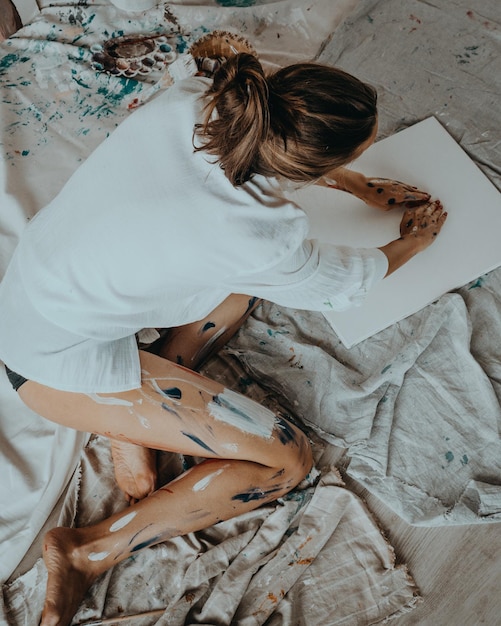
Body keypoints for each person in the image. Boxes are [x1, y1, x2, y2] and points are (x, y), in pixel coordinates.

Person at [0, 34, 446, 625]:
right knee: (285, 462)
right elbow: (347, 280)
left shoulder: (199, 102)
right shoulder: (261, 236)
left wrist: (359, 186)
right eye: (349, 159)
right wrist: (414, 240)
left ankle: (141, 401)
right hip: (50, 360)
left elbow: (265, 155)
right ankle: (86, 550)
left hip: (37, 288)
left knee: (233, 290)